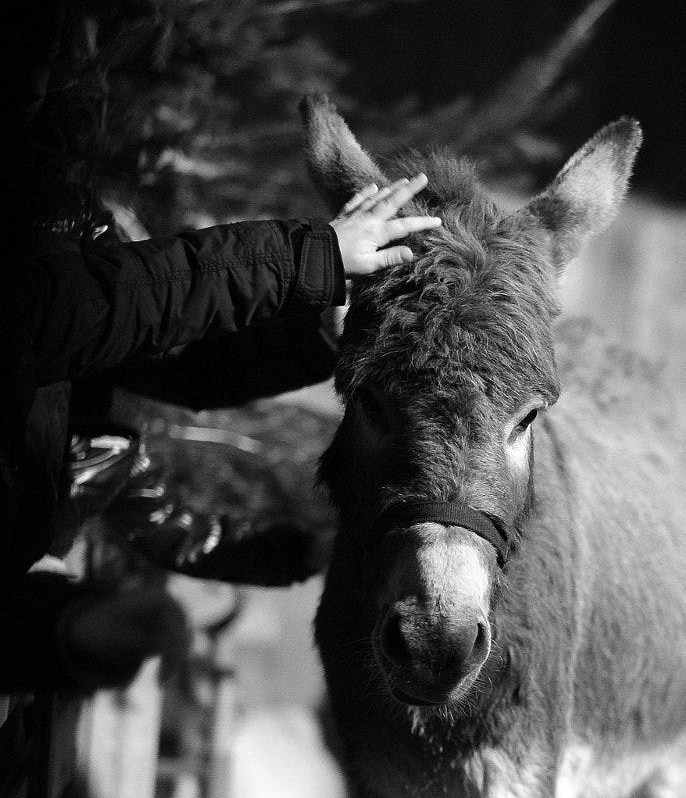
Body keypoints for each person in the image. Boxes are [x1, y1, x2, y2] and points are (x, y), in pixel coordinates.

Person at [1, 179, 441, 695]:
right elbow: (137, 326)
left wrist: (70, 627)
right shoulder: (62, 487)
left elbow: (178, 522)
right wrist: (308, 266)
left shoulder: (97, 465)